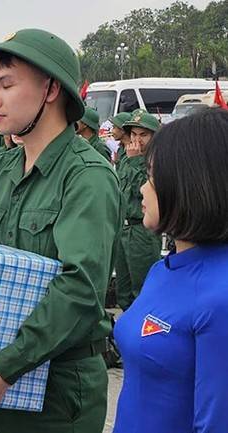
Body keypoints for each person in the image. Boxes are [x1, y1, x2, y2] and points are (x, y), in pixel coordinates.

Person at [0, 29, 120, 432]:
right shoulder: (4, 168)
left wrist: (6, 367)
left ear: (51, 88)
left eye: (7, 84)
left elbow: (80, 290)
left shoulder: (87, 177)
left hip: (54, 386)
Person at [113, 108, 228, 432]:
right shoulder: (162, 270)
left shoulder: (221, 296)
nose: (142, 190)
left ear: (190, 183)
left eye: (151, 176)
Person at [114, 109, 163, 311]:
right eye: (134, 134)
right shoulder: (127, 157)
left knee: (142, 289)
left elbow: (142, 191)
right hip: (124, 230)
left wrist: (135, 161)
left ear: (153, 136)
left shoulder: (155, 161)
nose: (137, 139)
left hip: (142, 231)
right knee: (123, 290)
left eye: (143, 135)